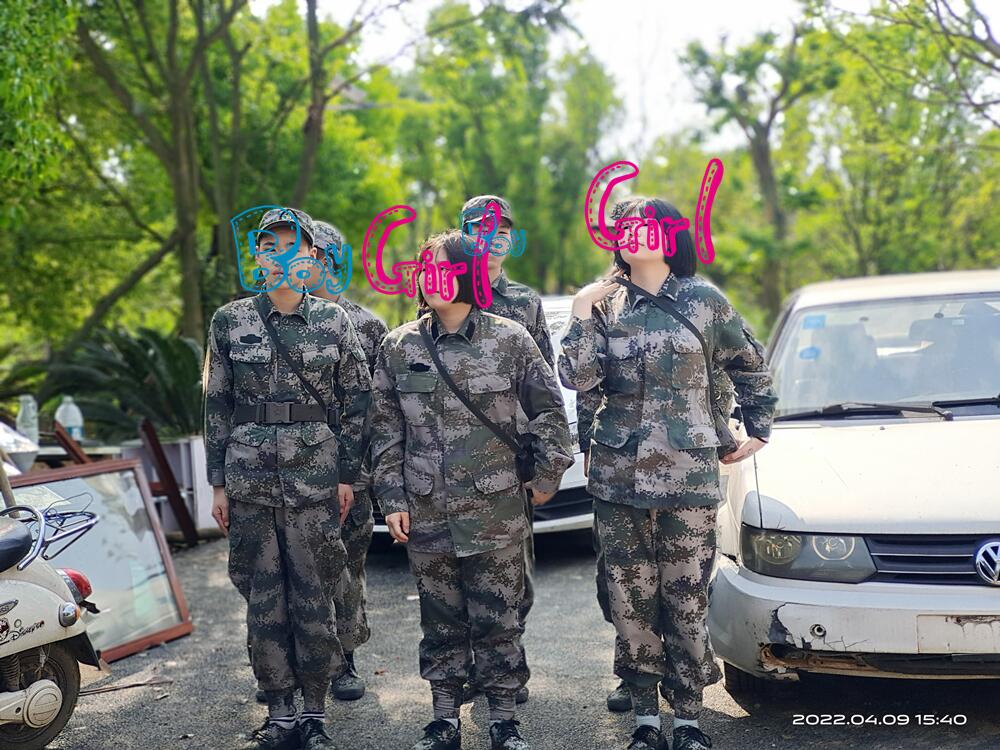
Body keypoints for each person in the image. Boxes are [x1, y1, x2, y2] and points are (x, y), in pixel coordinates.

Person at [558, 197, 776, 750]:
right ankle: (644, 718)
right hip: (619, 478)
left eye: (648, 225)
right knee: (629, 600)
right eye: (626, 226)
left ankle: (688, 720)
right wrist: (580, 310)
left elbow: (750, 363)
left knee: (685, 597)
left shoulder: (704, 300)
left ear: (670, 235)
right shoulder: (602, 305)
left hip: (687, 477)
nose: (636, 233)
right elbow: (578, 380)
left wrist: (758, 426)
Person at [372, 230, 573, 750]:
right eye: (425, 269)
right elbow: (385, 430)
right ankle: (443, 718)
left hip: (495, 508)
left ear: (468, 273)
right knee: (439, 619)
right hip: (426, 510)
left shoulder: (510, 339)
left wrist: (546, 475)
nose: (432, 278)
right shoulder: (399, 346)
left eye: (444, 268)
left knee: (499, 617)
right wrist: (391, 500)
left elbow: (550, 411)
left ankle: (504, 719)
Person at [204, 207, 372, 750]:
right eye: (268, 245)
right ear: (257, 255)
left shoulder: (334, 321)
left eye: (291, 245)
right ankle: (279, 713)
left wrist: (347, 475)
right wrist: (217, 484)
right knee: (262, 599)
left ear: (311, 254)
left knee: (315, 593)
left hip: (315, 482)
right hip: (249, 482)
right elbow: (217, 404)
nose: (279, 255)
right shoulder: (229, 321)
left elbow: (357, 403)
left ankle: (315, 715)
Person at [457, 194, 553, 706]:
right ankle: (472, 668)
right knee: (457, 569)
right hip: (451, 459)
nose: (492, 239)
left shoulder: (524, 302)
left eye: (501, 231)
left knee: (514, 573)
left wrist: (542, 460)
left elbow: (543, 387)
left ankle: (505, 665)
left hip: (508, 459)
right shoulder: (445, 293)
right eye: (480, 228)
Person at [312, 220, 389, 702]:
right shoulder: (270, 320)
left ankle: (344, 659)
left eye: (321, 255)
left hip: (350, 473)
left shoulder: (367, 326)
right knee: (286, 569)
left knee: (345, 568)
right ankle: (292, 663)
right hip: (284, 473)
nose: (311, 263)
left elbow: (383, 405)